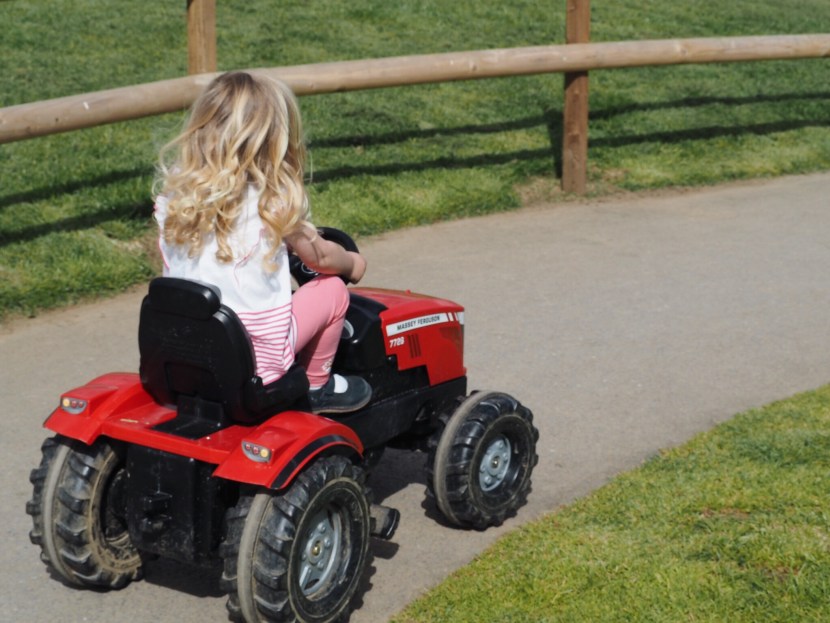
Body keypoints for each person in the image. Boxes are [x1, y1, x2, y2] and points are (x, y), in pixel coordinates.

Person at [153, 71, 371, 413]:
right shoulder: (273, 204)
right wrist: (353, 264)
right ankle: (317, 386)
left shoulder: (175, 201)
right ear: (274, 143)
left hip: (182, 348)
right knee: (332, 292)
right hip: (254, 361)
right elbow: (321, 259)